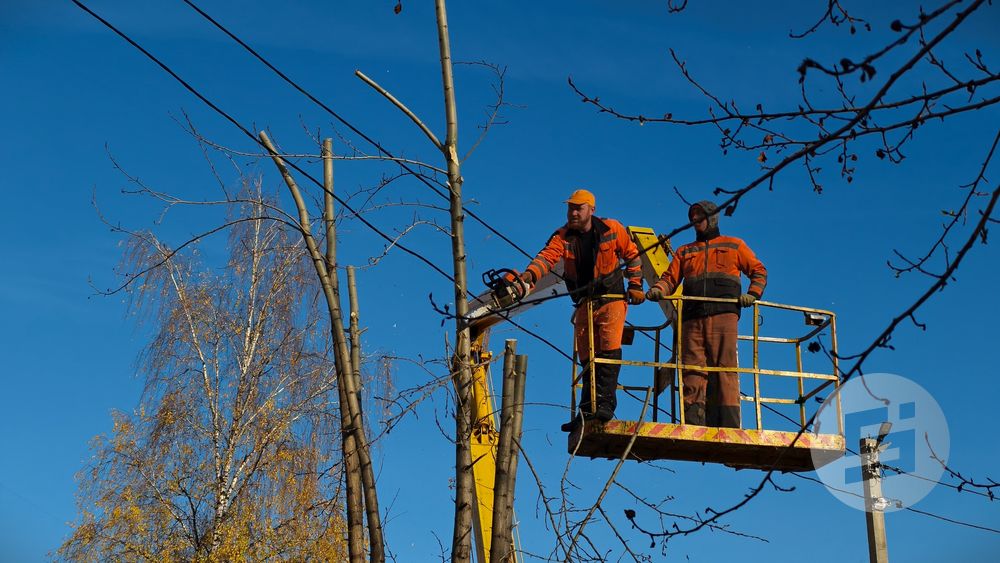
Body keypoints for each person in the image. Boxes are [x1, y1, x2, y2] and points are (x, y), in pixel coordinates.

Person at [518, 189, 645, 431]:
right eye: (570, 208)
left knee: (607, 351)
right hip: (584, 303)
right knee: (587, 357)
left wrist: (636, 285)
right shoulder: (563, 236)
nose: (573, 212)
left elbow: (632, 253)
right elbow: (546, 257)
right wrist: (528, 277)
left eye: (579, 208)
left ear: (591, 210)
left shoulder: (611, 229)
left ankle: (605, 406)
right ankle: (586, 411)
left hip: (611, 299)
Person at [646, 201, 767, 428]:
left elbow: (759, 271)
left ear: (712, 218)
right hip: (692, 318)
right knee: (692, 369)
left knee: (725, 368)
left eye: (700, 215)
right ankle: (693, 423)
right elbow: (670, 279)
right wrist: (658, 290)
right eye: (693, 216)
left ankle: (728, 424)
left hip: (724, 315)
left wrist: (753, 294)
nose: (695, 220)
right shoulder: (685, 251)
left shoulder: (734, 245)